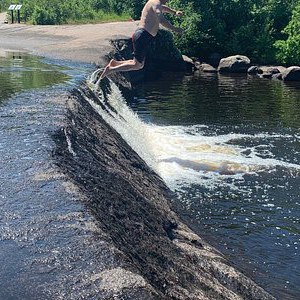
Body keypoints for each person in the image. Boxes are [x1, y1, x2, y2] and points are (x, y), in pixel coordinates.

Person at [100, 0, 184, 80]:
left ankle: (115, 63)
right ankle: (111, 69)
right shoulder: (155, 2)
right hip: (142, 36)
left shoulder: (155, 3)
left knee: (138, 63)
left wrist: (174, 12)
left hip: (144, 36)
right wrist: (175, 29)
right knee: (137, 65)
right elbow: (161, 19)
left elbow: (163, 8)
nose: (168, 1)